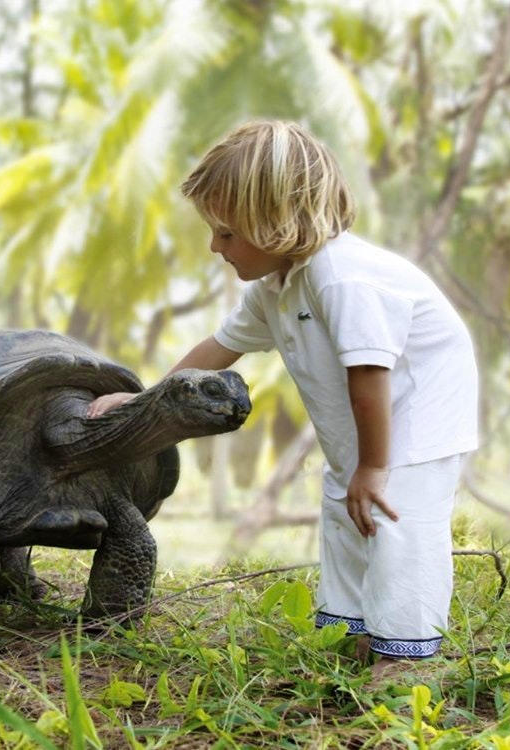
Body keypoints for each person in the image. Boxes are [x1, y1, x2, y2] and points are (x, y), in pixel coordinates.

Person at [88, 120, 479, 679]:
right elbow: (218, 348)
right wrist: (144, 401)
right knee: (347, 513)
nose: (214, 246)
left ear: (276, 223)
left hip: (417, 420)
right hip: (365, 431)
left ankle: (408, 659)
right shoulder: (274, 288)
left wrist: (373, 465)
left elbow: (371, 371)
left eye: (226, 233)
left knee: (398, 525)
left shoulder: (342, 276)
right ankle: (356, 633)